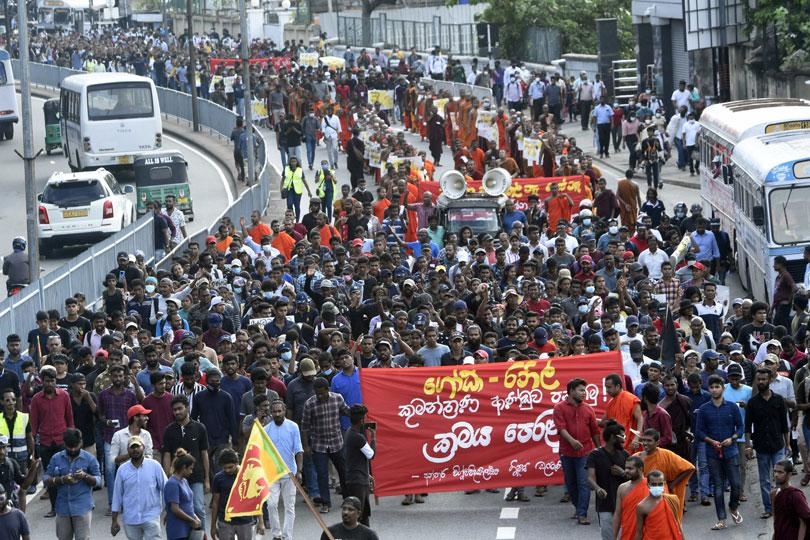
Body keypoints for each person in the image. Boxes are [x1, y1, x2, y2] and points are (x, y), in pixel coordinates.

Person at [694, 374, 744, 530]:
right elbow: (699, 432)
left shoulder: (732, 407)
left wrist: (732, 438)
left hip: (731, 451)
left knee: (736, 484)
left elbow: (741, 428)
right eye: (712, 387)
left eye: (717, 387)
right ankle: (721, 519)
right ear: (708, 389)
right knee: (717, 486)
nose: (715, 390)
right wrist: (711, 441)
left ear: (723, 388)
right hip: (712, 453)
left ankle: (733, 506)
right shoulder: (703, 409)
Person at [552, 378, 601, 525]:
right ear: (571, 391)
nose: (584, 393)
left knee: (583, 483)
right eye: (580, 390)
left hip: (585, 452)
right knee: (571, 483)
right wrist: (572, 441)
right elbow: (561, 428)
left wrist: (598, 448)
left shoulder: (588, 409)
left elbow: (595, 431)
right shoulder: (559, 408)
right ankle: (578, 507)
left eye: (584, 390)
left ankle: (582, 513)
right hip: (566, 452)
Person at [744, 367, 790, 520]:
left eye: (764, 379)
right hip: (761, 446)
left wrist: (788, 444)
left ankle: (782, 507)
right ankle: (768, 508)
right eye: (759, 380)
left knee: (780, 477)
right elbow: (747, 427)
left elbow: (784, 424)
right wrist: (748, 445)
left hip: (778, 445)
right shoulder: (752, 403)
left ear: (770, 380)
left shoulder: (778, 400)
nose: (761, 382)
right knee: (764, 479)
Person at [162, 395, 210, 535]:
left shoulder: (200, 428)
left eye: (180, 409)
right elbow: (166, 454)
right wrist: (167, 477)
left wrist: (207, 479)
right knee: (179, 509)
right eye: (174, 410)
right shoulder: (169, 430)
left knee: (198, 508)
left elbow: (204, 454)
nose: (177, 412)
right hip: (177, 478)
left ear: (187, 408)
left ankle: (201, 536)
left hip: (196, 477)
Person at [301, 377, 350, 514]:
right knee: (322, 475)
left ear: (328, 390)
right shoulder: (310, 404)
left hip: (337, 442)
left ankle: (347, 499)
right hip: (319, 444)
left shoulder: (337, 398)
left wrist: (358, 412)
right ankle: (326, 502)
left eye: (322, 393)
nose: (320, 396)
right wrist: (306, 446)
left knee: (343, 472)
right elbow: (304, 427)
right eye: (317, 393)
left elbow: (347, 411)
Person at [30, 366, 74, 517]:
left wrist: (72, 438)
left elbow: (69, 418)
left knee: (67, 474)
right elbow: (34, 423)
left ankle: (70, 506)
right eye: (47, 381)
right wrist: (34, 446)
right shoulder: (36, 399)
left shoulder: (64, 396)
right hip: (46, 443)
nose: (50, 384)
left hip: (62, 441)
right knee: (51, 478)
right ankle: (54, 508)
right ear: (42, 382)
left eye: (53, 381)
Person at [44, 428, 101, 540]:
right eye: (70, 447)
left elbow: (99, 481)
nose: (73, 449)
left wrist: (85, 476)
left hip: (82, 508)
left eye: (76, 446)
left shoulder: (89, 459)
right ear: (64, 444)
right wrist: (61, 480)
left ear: (81, 442)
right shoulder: (56, 458)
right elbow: (46, 478)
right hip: (62, 508)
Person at [110, 435, 167, 540]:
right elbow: (117, 496)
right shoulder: (122, 470)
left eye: (137, 446)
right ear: (128, 450)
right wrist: (114, 520)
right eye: (132, 447)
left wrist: (169, 511)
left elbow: (166, 488)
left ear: (143, 448)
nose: (135, 449)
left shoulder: (155, 466)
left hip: (151, 516)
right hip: (131, 518)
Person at [264, 399, 303, 540]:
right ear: (271, 413)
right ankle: (276, 534)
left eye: (279, 411)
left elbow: (298, 450)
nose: (277, 414)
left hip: (289, 473)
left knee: (289, 507)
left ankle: (287, 536)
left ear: (284, 411)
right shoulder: (266, 430)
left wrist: (299, 470)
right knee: (271, 504)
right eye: (274, 411)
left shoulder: (293, 427)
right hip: (272, 474)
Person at [633, 428, 694, 515]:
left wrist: (672, 485)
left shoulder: (666, 455)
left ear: (657, 443)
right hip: (641, 497)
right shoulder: (636, 457)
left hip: (660, 496)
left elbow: (690, 468)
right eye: (643, 440)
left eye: (649, 441)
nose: (645, 443)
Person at [586, 421, 628, 540]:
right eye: (621, 437)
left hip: (624, 504)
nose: (624, 440)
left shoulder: (625, 455)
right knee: (608, 537)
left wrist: (623, 473)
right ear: (612, 437)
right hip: (605, 504)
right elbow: (590, 477)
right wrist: (597, 488)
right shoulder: (595, 455)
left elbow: (635, 476)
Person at [210, 448, 263, 540]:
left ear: (237, 463)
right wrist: (213, 526)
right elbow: (215, 503)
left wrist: (261, 522)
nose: (227, 470)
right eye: (224, 468)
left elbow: (256, 500)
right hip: (225, 522)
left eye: (230, 467)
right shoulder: (218, 478)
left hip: (245, 521)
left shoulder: (247, 475)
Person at [344, 404, 375, 526]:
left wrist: (366, 473)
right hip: (358, 481)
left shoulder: (349, 432)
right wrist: (373, 438)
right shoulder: (358, 437)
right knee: (359, 515)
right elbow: (371, 455)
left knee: (363, 514)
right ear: (362, 420)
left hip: (357, 477)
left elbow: (355, 458)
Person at [164, 448, 202, 540]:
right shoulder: (172, 483)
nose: (191, 472)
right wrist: (192, 520)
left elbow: (188, 503)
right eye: (190, 469)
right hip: (178, 531)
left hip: (187, 528)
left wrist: (195, 517)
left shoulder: (184, 481)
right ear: (184, 467)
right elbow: (175, 509)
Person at [633, 469, 684, 540]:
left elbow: (678, 524)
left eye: (660, 484)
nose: (657, 487)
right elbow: (639, 532)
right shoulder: (642, 506)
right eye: (654, 484)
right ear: (648, 485)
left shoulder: (672, 500)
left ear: (664, 484)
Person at [603, 373, 643, 451]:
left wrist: (637, 437)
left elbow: (640, 418)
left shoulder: (631, 399)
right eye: (606, 387)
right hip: (616, 446)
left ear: (617, 386)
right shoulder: (610, 403)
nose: (607, 390)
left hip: (631, 444)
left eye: (609, 387)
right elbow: (604, 422)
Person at [772, 459, 810, 539]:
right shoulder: (774, 494)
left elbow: (804, 521)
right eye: (775, 471)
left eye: (780, 472)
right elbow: (777, 520)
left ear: (789, 474)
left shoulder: (795, 495)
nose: (776, 475)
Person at [612, 455, 648, 540]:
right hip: (627, 532)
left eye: (630, 468)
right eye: (626, 468)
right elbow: (618, 514)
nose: (626, 471)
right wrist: (614, 536)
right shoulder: (622, 488)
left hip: (646, 533)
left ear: (640, 469)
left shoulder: (650, 486)